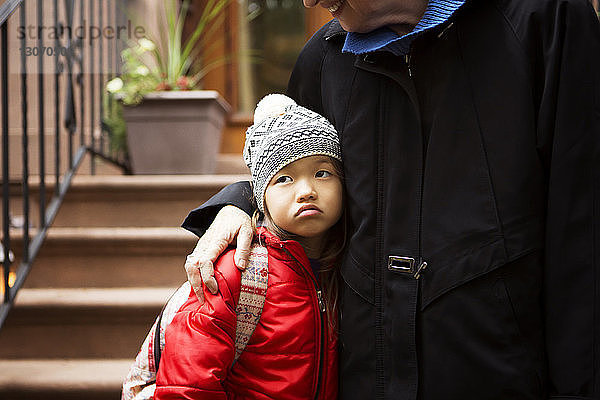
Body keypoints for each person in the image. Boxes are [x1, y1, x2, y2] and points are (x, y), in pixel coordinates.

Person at [180, 0, 600, 398]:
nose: (308, 3)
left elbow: (583, 229)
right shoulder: (322, 60)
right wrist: (238, 203)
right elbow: (291, 166)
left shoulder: (545, 20)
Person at [154, 94, 343, 399]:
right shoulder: (236, 272)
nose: (307, 190)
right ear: (260, 197)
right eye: (284, 179)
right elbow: (187, 384)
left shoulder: (349, 268)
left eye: (323, 173)